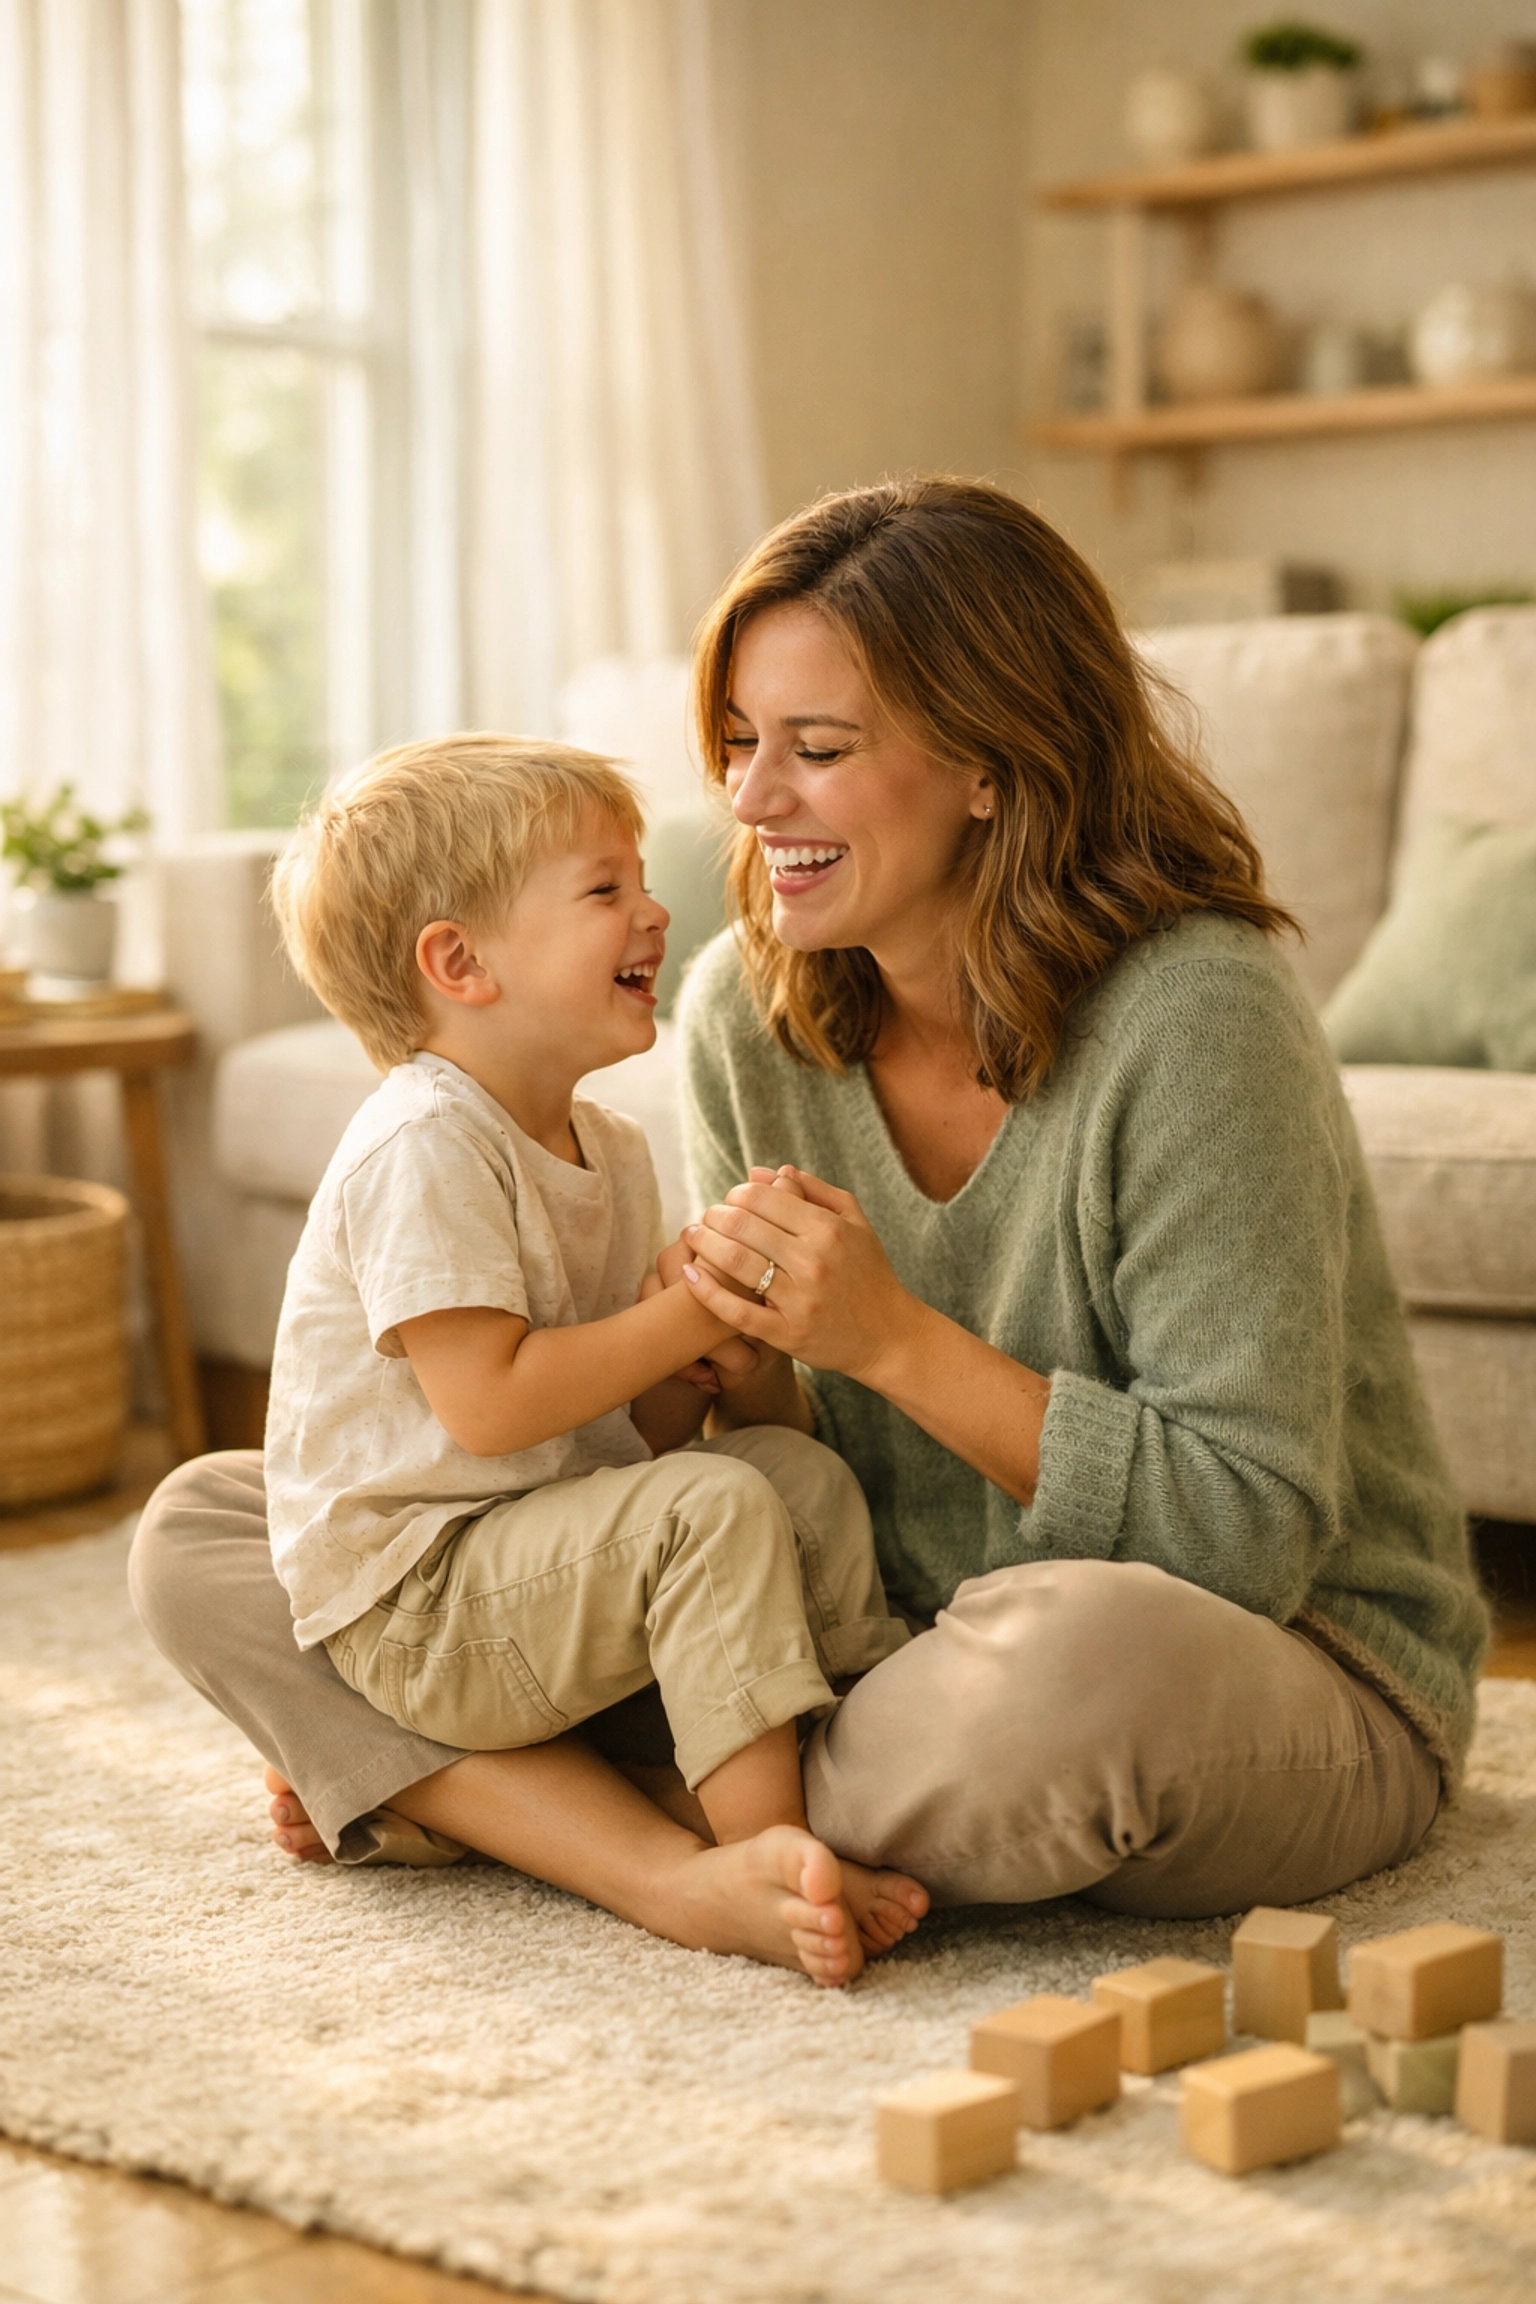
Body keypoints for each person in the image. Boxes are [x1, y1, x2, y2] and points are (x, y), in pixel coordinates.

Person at [132, 478, 1488, 1962]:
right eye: (739, 747)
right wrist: (739, 1378)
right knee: (218, 1530)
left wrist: (893, 1341)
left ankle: (497, 1800)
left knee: (1071, 1674)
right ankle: (678, 1863)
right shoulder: (746, 1016)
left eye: (817, 750)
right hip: (880, 1655)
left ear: (990, 760)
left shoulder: (1198, 1015)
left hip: (1264, 1660)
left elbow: (1244, 1543)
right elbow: (774, 1492)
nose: (751, 800)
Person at [243, 731, 916, 1986]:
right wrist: (687, 1305)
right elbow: (491, 1408)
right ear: (459, 963)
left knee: (785, 1472)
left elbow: (620, 1442)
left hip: (527, 1559)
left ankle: (847, 1776)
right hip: (417, 1608)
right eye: (606, 889)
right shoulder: (423, 1144)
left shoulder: (609, 1149)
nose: (656, 910)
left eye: (641, 880)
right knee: (715, 1507)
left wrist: (699, 1353)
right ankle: (765, 1857)